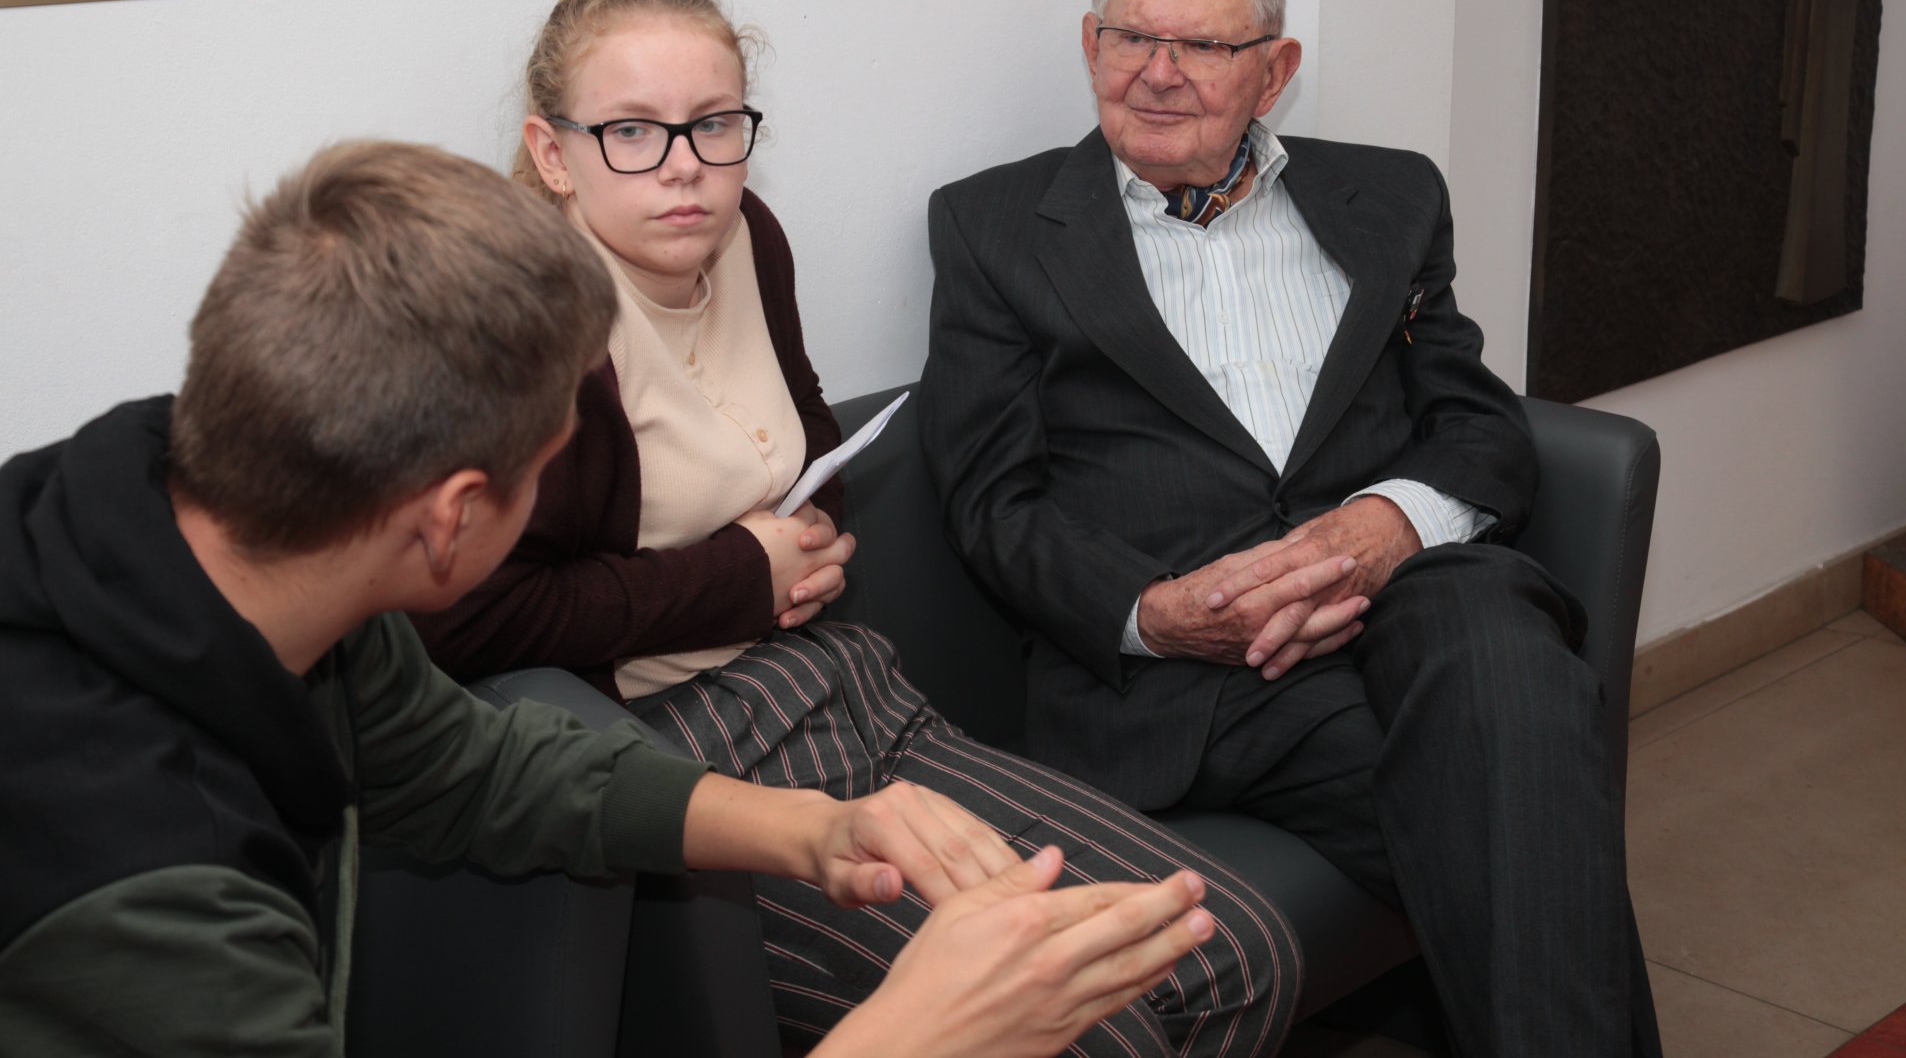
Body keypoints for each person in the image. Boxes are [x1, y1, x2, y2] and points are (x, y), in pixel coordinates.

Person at [0, 140, 1223, 1057]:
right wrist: (918, 1031)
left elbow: (475, 768)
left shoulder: (225, 523)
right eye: (545, 469)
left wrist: (812, 829)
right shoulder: (158, 892)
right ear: (452, 517)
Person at [410, 0, 1298, 1057]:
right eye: (632, 132)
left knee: (1236, 951)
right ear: (554, 154)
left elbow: (803, 437)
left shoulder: (746, 235)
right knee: (1095, 1037)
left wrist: (809, 544)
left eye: (714, 125)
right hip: (675, 754)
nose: (685, 166)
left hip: (836, 687)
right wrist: (743, 578)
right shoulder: (521, 325)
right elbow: (467, 620)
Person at [919, 0, 1665, 1058]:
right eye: (1131, 37)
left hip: (1412, 590)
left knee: (1500, 652)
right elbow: (992, 500)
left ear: (1275, 71)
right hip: (1212, 663)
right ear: (1089, 42)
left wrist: (1384, 527)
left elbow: (1478, 423)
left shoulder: (1390, 197)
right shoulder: (993, 227)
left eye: (1203, 46)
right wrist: (1157, 612)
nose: (1158, 71)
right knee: (1517, 787)